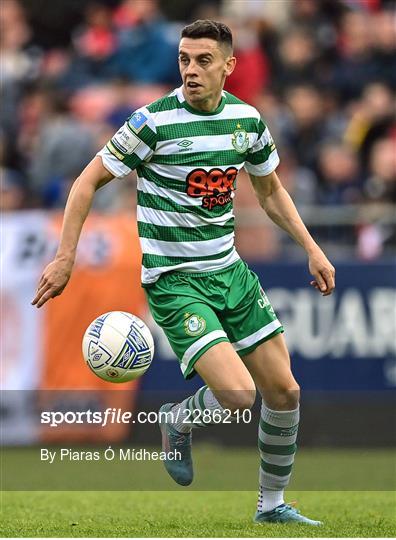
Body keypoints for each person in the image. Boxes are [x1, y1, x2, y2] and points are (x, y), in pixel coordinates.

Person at [32, 20, 335, 526]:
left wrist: (311, 247)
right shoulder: (152, 123)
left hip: (229, 271)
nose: (191, 71)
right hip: (175, 281)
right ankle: (177, 419)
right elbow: (86, 183)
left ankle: (272, 505)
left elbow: (270, 191)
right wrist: (65, 256)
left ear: (228, 66)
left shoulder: (247, 120)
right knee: (238, 395)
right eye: (184, 60)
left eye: (203, 61)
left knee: (285, 391)